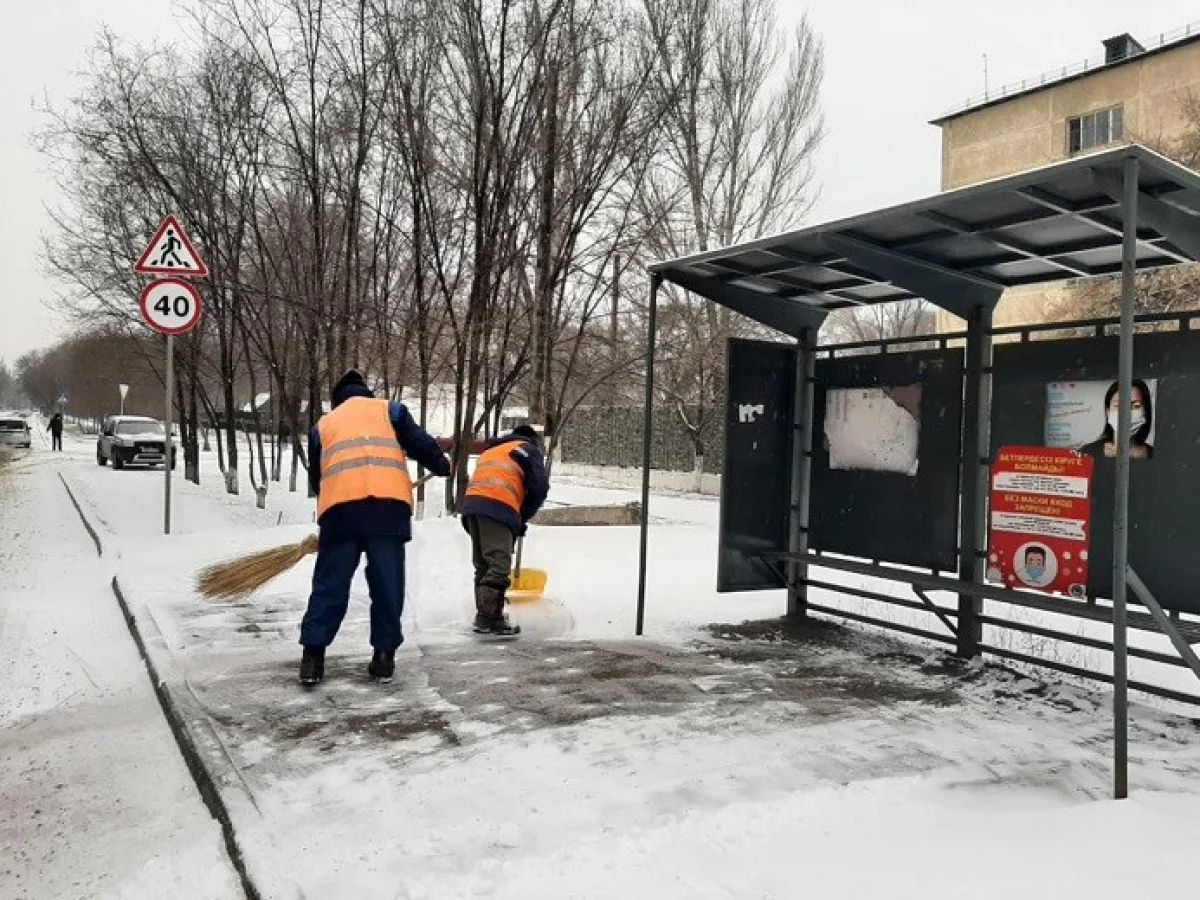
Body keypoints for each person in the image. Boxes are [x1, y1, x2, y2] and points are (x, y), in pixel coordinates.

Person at [298, 370, 452, 686]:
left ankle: (312, 659)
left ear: (338, 398)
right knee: (387, 585)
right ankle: (383, 658)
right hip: (387, 513)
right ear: (365, 393)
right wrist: (441, 465)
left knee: (330, 585)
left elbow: (317, 478)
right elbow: (420, 443)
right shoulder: (390, 410)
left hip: (340, 514)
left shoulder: (323, 426)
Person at [460, 425, 550, 636]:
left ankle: (484, 616)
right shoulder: (527, 448)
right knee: (499, 564)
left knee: (483, 564)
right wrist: (522, 517)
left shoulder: (493, 450)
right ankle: (492, 619)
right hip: (497, 505)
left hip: (472, 507)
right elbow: (539, 488)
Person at [1080, 379, 1154, 460]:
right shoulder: (1086, 454)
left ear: (1145, 412)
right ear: (1108, 412)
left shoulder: (1153, 454)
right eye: (1118, 405)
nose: (1126, 413)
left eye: (1136, 406)